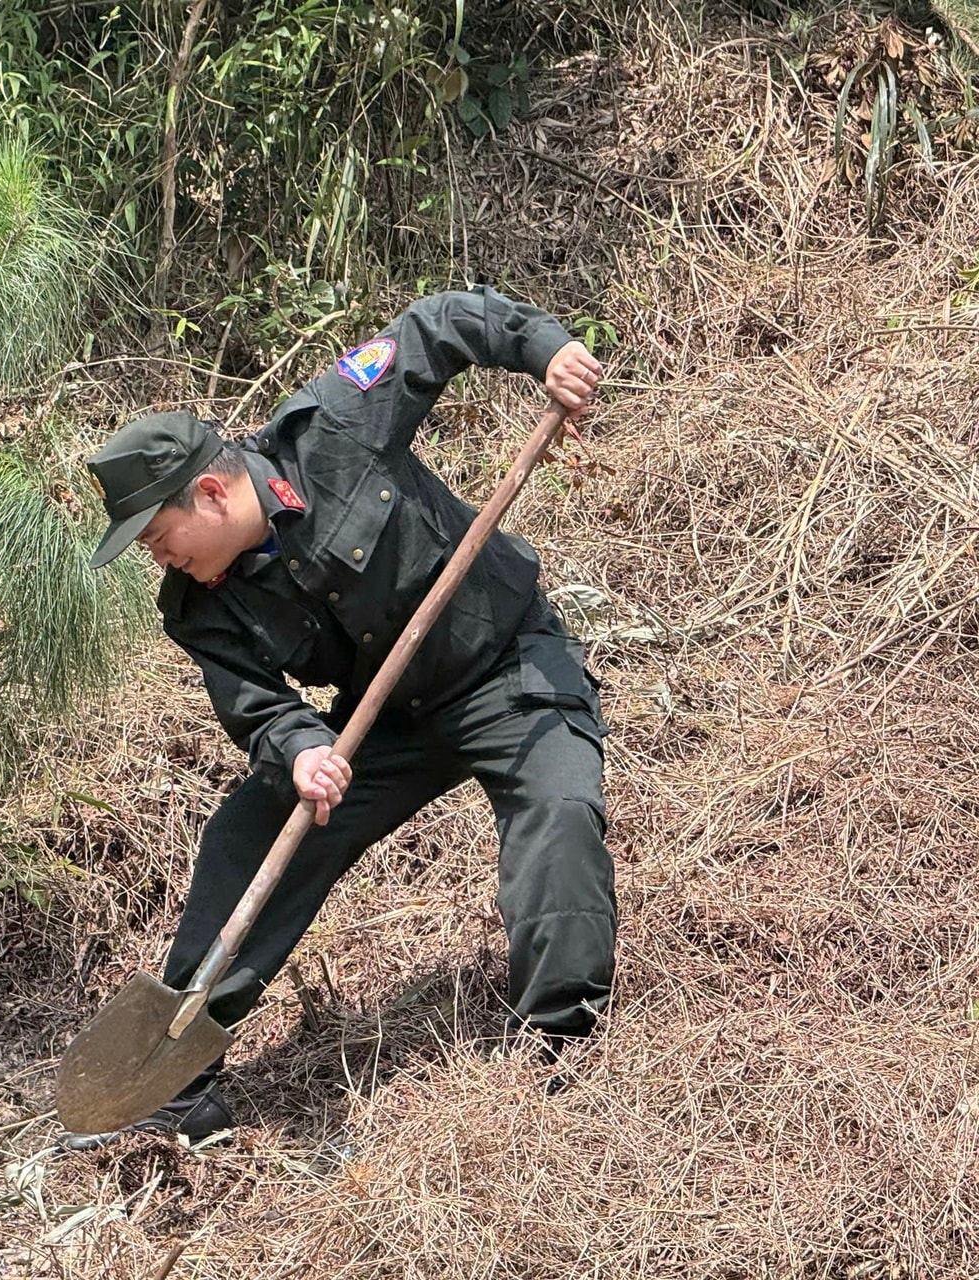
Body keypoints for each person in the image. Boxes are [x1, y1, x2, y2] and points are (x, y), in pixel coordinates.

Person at [66, 287, 615, 1147]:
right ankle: (178, 1083)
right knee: (253, 834)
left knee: (559, 814)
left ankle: (560, 1054)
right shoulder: (194, 606)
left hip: (507, 664)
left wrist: (543, 347)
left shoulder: (333, 428)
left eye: (159, 537)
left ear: (210, 492)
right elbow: (257, 706)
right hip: (384, 718)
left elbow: (444, 324)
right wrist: (303, 748)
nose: (158, 558)